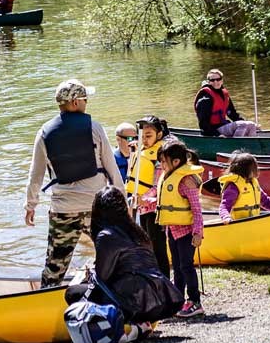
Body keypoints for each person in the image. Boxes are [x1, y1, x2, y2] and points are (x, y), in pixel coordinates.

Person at [24, 79, 124, 286]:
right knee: (111, 253)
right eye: (85, 98)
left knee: (55, 265)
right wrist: (121, 200)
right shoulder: (94, 128)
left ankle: (45, 299)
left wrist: (30, 205)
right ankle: (114, 293)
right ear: (76, 102)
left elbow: (36, 175)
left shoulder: (44, 133)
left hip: (63, 209)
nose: (87, 102)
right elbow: (112, 168)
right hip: (96, 205)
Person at [64, 187, 184, 343]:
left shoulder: (106, 235)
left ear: (98, 211)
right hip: (160, 297)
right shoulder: (137, 231)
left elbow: (102, 277)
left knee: (72, 293)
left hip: (136, 300)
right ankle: (140, 323)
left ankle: (116, 329)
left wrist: (90, 275)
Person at [154, 140, 205, 318]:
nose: (161, 165)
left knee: (186, 266)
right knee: (177, 266)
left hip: (187, 232)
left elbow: (197, 210)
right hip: (172, 231)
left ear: (176, 162)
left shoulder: (186, 181)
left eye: (163, 161)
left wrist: (198, 233)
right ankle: (178, 300)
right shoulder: (168, 177)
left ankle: (195, 301)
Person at [125, 115, 170, 272]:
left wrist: (144, 198)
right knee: (147, 245)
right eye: (142, 136)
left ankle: (164, 280)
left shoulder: (160, 155)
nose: (144, 139)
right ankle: (153, 277)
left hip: (155, 208)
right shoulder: (142, 150)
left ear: (159, 135)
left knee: (158, 247)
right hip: (142, 206)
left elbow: (159, 185)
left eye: (148, 136)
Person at [216, 152, 270, 222]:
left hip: (252, 223)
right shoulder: (233, 187)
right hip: (238, 224)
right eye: (255, 168)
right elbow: (224, 206)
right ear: (246, 170)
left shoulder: (253, 183)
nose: (257, 170)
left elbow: (267, 202)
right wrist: (226, 217)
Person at [193, 69, 258, 137]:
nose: (216, 82)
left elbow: (233, 114)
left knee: (251, 125)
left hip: (224, 126)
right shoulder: (205, 99)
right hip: (213, 130)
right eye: (212, 80)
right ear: (209, 82)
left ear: (222, 80)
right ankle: (236, 146)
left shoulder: (224, 95)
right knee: (244, 125)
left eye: (218, 79)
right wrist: (217, 134)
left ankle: (251, 145)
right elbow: (203, 124)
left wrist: (245, 122)